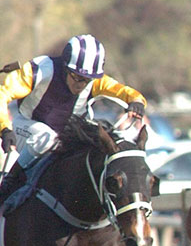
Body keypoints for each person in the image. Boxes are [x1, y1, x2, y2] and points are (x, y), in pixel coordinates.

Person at [0, 34, 145, 205]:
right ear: (65, 67)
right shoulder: (40, 69)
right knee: (47, 138)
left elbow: (124, 92)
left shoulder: (94, 81)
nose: (81, 85)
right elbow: (3, 94)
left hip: (64, 136)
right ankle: (10, 182)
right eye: (77, 77)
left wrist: (136, 101)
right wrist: (5, 128)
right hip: (26, 127)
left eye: (87, 80)